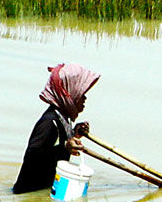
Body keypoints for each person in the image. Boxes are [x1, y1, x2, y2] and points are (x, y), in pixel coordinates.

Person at [12, 62, 100, 194]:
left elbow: (55, 145)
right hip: (29, 191)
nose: (85, 98)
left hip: (45, 188)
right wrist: (66, 146)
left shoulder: (62, 119)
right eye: (81, 94)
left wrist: (74, 135)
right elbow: (34, 154)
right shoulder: (49, 122)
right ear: (70, 93)